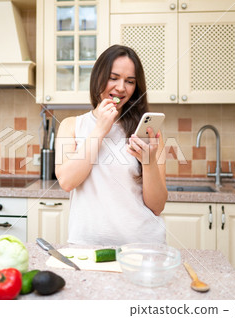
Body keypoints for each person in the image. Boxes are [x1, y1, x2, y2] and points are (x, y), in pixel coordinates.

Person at [55, 45, 168, 245]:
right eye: (113, 78)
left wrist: (148, 161)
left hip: (142, 245)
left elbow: (157, 206)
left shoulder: (146, 132)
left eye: (130, 81)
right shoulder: (72, 126)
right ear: (98, 77)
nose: (121, 88)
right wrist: (99, 130)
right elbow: (67, 182)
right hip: (87, 246)